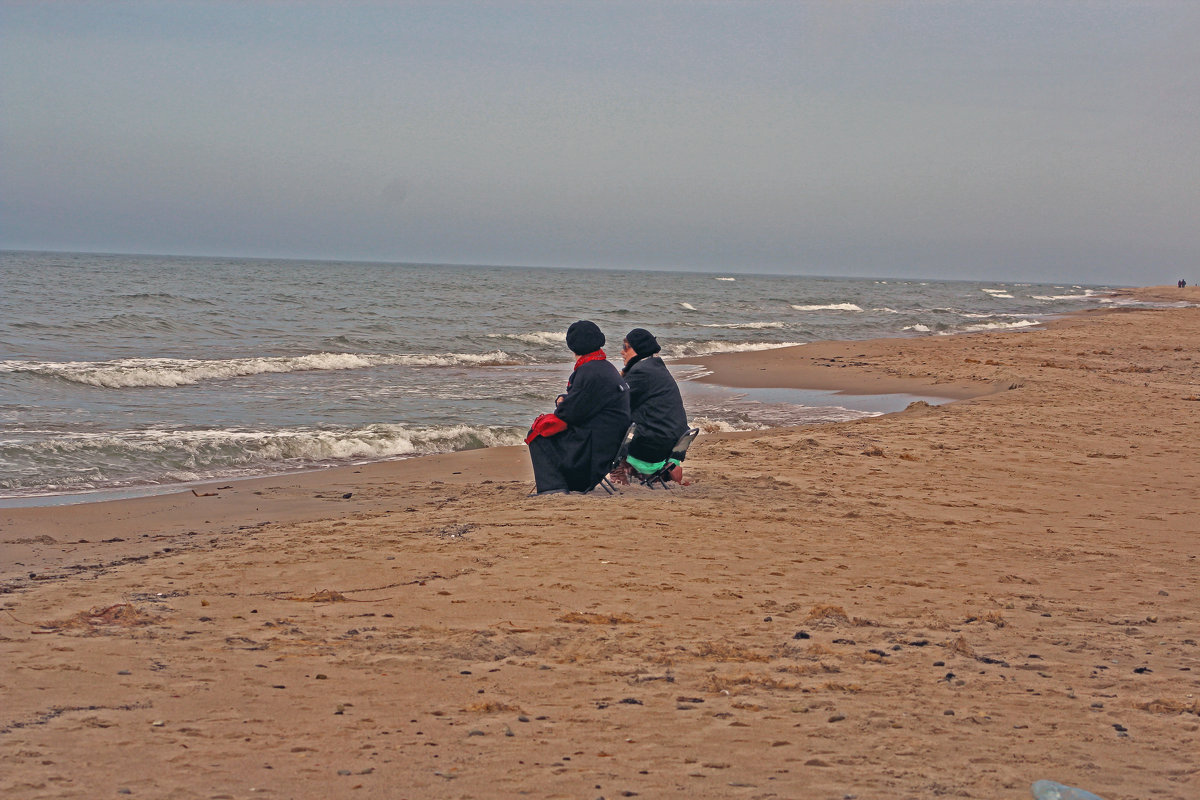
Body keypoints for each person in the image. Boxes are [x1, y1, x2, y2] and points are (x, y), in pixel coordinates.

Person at [524, 320, 631, 494]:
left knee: (538, 434)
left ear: (572, 346)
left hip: (594, 453)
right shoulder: (605, 367)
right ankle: (558, 485)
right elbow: (587, 401)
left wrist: (562, 404)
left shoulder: (588, 371)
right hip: (609, 445)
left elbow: (569, 414)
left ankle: (554, 488)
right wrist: (566, 400)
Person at [613, 327, 690, 483]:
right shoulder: (655, 367)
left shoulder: (641, 371)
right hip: (673, 443)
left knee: (609, 420)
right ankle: (661, 473)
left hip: (655, 446)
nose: (622, 352)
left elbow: (614, 401)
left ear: (639, 349)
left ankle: (619, 471)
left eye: (626, 347)